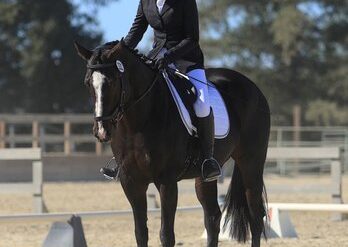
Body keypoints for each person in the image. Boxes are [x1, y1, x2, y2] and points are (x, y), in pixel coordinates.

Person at [102, 0, 221, 182]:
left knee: (202, 104)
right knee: (128, 95)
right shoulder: (145, 2)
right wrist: (117, 52)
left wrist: (169, 56)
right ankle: (122, 155)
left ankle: (207, 159)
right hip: (155, 58)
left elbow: (192, 38)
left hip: (186, 60)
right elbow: (136, 31)